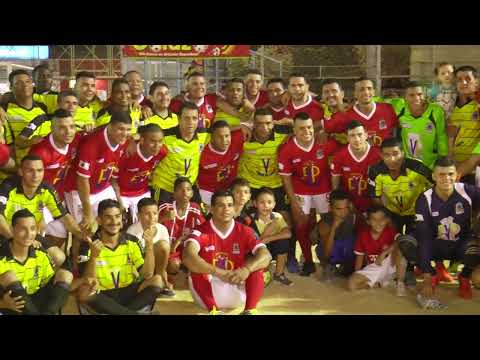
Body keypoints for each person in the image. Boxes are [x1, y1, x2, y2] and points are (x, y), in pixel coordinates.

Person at [401, 157, 480, 301]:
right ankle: (434, 272)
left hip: (460, 244)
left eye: (450, 174)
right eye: (441, 174)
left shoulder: (467, 191)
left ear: (456, 175)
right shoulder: (425, 199)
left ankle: (464, 277)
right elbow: (424, 237)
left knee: (475, 249)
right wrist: (426, 278)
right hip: (436, 245)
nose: (446, 178)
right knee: (408, 242)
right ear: (433, 176)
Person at [182, 190, 271, 315]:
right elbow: (187, 257)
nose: (226, 209)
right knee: (196, 265)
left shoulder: (246, 231)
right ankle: (215, 312)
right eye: (221, 205)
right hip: (207, 293)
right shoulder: (200, 231)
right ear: (211, 209)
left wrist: (246, 269)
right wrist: (218, 272)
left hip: (236, 286)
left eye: (230, 205)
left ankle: (250, 310)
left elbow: (266, 255)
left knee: (256, 265)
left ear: (235, 208)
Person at [63, 111, 132, 272]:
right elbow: (82, 180)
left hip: (102, 186)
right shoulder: (92, 144)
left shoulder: (123, 141)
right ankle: (76, 267)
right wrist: (88, 212)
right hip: (79, 189)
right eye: (121, 129)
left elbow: (113, 172)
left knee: (116, 220)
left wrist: (119, 198)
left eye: (128, 130)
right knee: (84, 230)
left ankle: (109, 260)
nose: (125, 134)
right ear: (111, 126)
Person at [76, 199, 162, 315]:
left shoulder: (132, 241)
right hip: (103, 295)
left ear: (122, 220)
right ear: (99, 220)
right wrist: (94, 257)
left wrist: (150, 246)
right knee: (84, 291)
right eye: (108, 217)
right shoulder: (89, 244)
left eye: (117, 217)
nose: (114, 221)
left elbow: (147, 274)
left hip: (127, 291)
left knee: (157, 280)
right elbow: (87, 278)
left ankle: (119, 312)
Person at [278, 112, 338, 276]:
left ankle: (326, 262)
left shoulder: (325, 142)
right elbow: (286, 179)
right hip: (300, 191)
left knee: (328, 224)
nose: (307, 132)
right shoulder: (287, 149)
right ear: (294, 130)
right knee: (301, 225)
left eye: (310, 127)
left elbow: (341, 152)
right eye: (302, 129)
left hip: (324, 190)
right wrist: (294, 202)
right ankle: (309, 261)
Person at [368, 138, 433, 284]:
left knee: (413, 241)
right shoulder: (375, 171)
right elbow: (375, 197)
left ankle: (410, 271)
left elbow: (436, 185)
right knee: (392, 241)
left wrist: (425, 207)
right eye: (387, 155)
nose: (392, 159)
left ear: (403, 154)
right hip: (392, 212)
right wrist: (386, 217)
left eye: (396, 153)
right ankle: (392, 271)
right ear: (381, 156)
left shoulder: (418, 168)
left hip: (415, 213)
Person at [0, 155, 86, 266]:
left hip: (31, 235)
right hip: (6, 234)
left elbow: (64, 216)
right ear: (21, 172)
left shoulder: (46, 189)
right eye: (30, 170)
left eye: (39, 170)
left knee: (59, 258)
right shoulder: (8, 187)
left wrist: (79, 233)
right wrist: (15, 239)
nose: (36, 175)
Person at [0, 209, 73, 315]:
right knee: (8, 276)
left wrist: (82, 282)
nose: (29, 234)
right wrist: (3, 304)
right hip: (11, 305)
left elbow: (53, 285)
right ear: (12, 229)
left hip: (35, 302)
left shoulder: (40, 253)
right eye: (23, 229)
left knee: (65, 275)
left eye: (32, 228)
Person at [150, 102, 209, 205]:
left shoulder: (204, 135)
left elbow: (221, 130)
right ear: (178, 119)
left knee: (200, 218)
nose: (190, 122)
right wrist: (133, 140)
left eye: (194, 118)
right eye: (186, 118)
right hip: (165, 187)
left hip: (188, 189)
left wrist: (244, 126)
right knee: (162, 219)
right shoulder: (165, 136)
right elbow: (143, 136)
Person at [112, 124, 167, 224]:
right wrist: (119, 202)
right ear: (142, 141)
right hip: (122, 194)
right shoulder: (127, 154)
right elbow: (113, 181)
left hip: (142, 192)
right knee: (121, 223)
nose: (157, 146)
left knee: (148, 222)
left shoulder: (162, 152)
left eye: (160, 142)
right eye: (152, 141)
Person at [324, 77, 399, 147]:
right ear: (355, 94)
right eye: (361, 89)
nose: (366, 92)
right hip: (361, 158)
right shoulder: (346, 114)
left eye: (369, 88)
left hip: (386, 158)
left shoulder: (388, 109)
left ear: (374, 92)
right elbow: (324, 126)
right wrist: (321, 132)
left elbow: (400, 128)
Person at [348, 206, 405, 295]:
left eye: (381, 219)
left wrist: (384, 253)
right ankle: (378, 284)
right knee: (351, 284)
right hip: (374, 268)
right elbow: (359, 257)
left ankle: (399, 282)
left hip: (391, 265)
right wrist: (356, 274)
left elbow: (402, 240)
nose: (378, 223)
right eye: (374, 220)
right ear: (368, 221)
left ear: (386, 220)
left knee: (400, 248)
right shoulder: (363, 236)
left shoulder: (390, 231)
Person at [28, 109, 82, 200]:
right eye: (62, 128)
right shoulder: (40, 152)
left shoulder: (77, 139)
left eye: (72, 127)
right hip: (41, 198)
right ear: (52, 129)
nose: (68, 132)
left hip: (62, 195)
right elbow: (28, 182)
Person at [331, 120, 382, 214]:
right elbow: (335, 184)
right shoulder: (339, 156)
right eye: (352, 135)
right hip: (349, 205)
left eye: (360, 134)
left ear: (366, 135)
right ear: (347, 137)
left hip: (372, 204)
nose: (357, 139)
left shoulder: (378, 155)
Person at [158, 177, 205, 276]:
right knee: (173, 265)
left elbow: (204, 230)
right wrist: (163, 218)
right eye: (181, 189)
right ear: (174, 194)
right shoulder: (165, 208)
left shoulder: (195, 208)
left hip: (187, 249)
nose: (185, 192)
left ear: (192, 193)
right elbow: (150, 226)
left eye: (188, 189)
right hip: (169, 249)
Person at [126, 198, 173, 297]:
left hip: (156, 267)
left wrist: (163, 273)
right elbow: (131, 262)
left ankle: (159, 278)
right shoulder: (132, 232)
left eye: (155, 213)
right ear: (139, 215)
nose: (152, 217)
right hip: (141, 267)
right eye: (147, 214)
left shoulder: (162, 229)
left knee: (163, 245)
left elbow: (164, 256)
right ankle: (151, 284)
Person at [397, 81, 448, 169]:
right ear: (405, 97)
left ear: (424, 95)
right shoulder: (399, 108)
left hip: (431, 164)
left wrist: (443, 158)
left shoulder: (435, 111)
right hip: (408, 165)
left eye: (420, 94)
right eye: (411, 95)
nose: (416, 98)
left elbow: (441, 136)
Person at [3, 69, 48, 165]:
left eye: (27, 81)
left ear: (32, 84)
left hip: (43, 171)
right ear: (11, 87)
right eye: (18, 83)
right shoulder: (5, 111)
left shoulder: (43, 109)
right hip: (18, 172)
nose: (25, 85)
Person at [250, 188, 292, 286]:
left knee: (284, 242)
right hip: (259, 251)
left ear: (274, 204)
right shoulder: (251, 219)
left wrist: (268, 238)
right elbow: (255, 243)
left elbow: (288, 233)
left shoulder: (277, 216)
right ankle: (262, 272)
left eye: (269, 202)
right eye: (262, 202)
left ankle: (279, 274)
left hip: (271, 246)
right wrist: (269, 229)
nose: (266, 206)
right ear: (255, 203)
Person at [314, 190, 359, 282]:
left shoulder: (354, 216)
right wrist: (333, 228)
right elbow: (326, 253)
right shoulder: (325, 223)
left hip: (346, 249)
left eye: (345, 208)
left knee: (356, 241)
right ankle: (328, 266)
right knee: (326, 251)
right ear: (330, 208)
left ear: (349, 205)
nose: (342, 212)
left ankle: (346, 265)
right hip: (330, 252)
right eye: (338, 209)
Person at [198, 120, 244, 209]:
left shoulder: (237, 138)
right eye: (219, 137)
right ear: (212, 138)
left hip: (230, 187)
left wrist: (243, 126)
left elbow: (252, 126)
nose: (224, 140)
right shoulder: (204, 154)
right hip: (207, 190)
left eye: (227, 136)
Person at [447, 65, 480, 178]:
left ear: (476, 81)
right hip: (450, 169)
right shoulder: (448, 106)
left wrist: (472, 161)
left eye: (468, 79)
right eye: (459, 80)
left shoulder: (477, 105)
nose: (463, 82)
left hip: (473, 171)